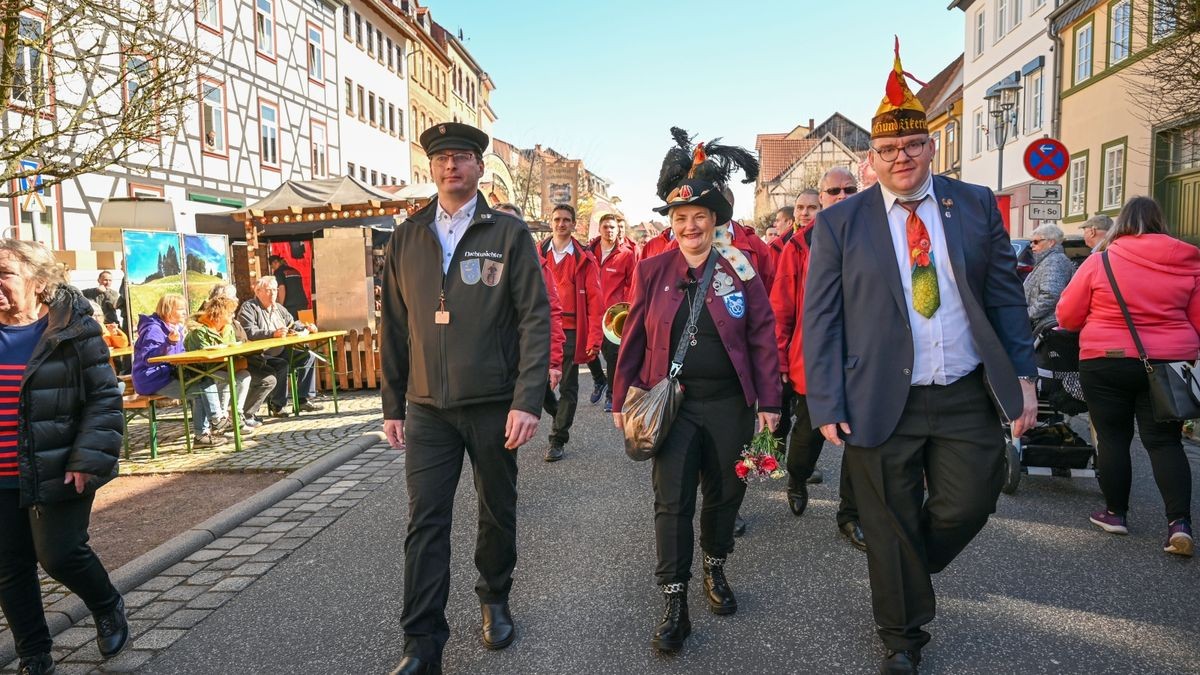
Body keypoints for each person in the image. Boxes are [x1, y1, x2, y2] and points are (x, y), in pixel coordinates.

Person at [802, 42, 1037, 674]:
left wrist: (1023, 377)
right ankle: (902, 639)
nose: (900, 158)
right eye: (887, 150)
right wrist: (824, 398)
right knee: (888, 519)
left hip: (963, 389)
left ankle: (905, 562)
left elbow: (1005, 298)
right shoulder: (839, 225)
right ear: (870, 158)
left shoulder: (975, 204)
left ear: (930, 146)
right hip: (880, 395)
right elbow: (819, 318)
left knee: (970, 501)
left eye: (912, 146)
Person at [381, 122, 550, 675]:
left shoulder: (507, 232)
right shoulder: (407, 236)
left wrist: (528, 399)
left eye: (462, 158)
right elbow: (395, 326)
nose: (451, 166)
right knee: (424, 521)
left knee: (496, 511)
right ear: (430, 168)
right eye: (442, 159)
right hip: (428, 408)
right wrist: (392, 404)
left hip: (495, 404)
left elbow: (533, 318)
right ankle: (421, 642)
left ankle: (493, 597)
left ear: (480, 167)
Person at [613, 156, 780, 653]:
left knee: (728, 492)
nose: (690, 226)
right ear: (672, 224)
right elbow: (634, 337)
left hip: (730, 403)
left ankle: (715, 564)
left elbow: (762, 334)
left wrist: (770, 401)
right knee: (672, 502)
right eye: (680, 218)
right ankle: (674, 602)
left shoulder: (740, 268)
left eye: (699, 217)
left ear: (714, 221)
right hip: (673, 407)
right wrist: (621, 396)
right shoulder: (650, 270)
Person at [0, 239, 129, 674]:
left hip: (58, 465)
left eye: (4, 274)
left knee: (58, 554)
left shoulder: (73, 329)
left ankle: (107, 603)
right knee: (9, 566)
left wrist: (86, 459)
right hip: (1, 473)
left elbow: (104, 400)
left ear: (39, 282)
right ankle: (33, 653)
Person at [1056, 196, 1200, 557]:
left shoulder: (1100, 261)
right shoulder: (1189, 261)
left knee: (1113, 437)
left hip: (1107, 360)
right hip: (1168, 362)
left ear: (1122, 223)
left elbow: (1068, 316)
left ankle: (1115, 513)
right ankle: (1179, 524)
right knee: (1166, 442)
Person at [537, 204, 602, 462]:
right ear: (550, 222)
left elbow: (596, 302)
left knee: (568, 387)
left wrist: (595, 338)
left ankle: (557, 438)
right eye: (557, 219)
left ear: (574, 224)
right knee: (538, 384)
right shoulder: (536, 252)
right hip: (541, 328)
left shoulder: (584, 257)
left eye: (566, 220)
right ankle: (559, 412)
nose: (561, 224)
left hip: (573, 330)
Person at [493, 202, 565, 395]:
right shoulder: (473, 263)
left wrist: (554, 361)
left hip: (523, 360)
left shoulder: (538, 267)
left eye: (512, 222)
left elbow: (551, 312)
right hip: (485, 365)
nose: (505, 228)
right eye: (499, 221)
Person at [132, 293, 224, 443]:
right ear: (169, 311)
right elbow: (149, 358)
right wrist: (169, 342)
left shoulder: (175, 328)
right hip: (152, 379)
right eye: (180, 309)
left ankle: (213, 423)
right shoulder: (153, 329)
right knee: (199, 392)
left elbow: (179, 353)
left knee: (205, 379)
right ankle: (208, 430)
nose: (184, 312)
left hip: (168, 374)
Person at [237, 277, 323, 417]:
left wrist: (306, 327)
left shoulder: (279, 308)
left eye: (275, 290)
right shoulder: (249, 307)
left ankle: (302, 398)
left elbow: (292, 324)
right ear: (258, 292)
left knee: (308, 356)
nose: (273, 294)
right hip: (260, 355)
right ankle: (278, 405)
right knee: (282, 364)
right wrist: (272, 333)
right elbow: (248, 332)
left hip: (281, 350)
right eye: (269, 290)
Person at [585, 212, 639, 412]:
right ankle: (599, 380)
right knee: (586, 351)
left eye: (612, 227)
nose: (609, 230)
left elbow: (632, 284)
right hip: (590, 312)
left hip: (612, 315)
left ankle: (612, 395)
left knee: (612, 357)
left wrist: (625, 309)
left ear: (618, 231)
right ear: (599, 229)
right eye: (605, 226)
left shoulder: (627, 254)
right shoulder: (588, 252)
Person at [208, 284, 277, 429]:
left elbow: (244, 341)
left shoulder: (232, 320)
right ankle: (242, 416)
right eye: (232, 297)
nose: (236, 299)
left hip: (242, 360)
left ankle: (241, 415)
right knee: (267, 379)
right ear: (221, 300)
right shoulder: (215, 322)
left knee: (279, 365)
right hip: (225, 365)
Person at [183, 296, 247, 444]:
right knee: (211, 381)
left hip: (220, 368)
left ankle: (235, 413)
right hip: (199, 372)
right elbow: (202, 360)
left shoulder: (228, 329)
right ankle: (219, 419)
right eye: (230, 313)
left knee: (244, 375)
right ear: (220, 314)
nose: (233, 316)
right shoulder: (199, 331)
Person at [1023, 223, 1075, 328]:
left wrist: (1027, 314)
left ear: (1051, 242)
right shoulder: (1048, 259)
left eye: (1036, 242)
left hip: (1046, 325)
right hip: (1043, 324)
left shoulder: (1054, 261)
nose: (1032, 245)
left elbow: (1050, 295)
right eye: (1031, 242)